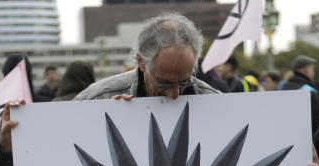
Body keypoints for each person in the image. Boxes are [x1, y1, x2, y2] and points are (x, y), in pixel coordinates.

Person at [74, 13, 219, 101]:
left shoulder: (215, 103)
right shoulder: (96, 99)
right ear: (141, 62)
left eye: (185, 81)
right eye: (164, 83)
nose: (175, 94)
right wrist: (106, 117)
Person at [281, 54, 319, 132]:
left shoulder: (283, 88)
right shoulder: (309, 91)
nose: (313, 72)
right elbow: (317, 123)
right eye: (312, 68)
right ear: (306, 69)